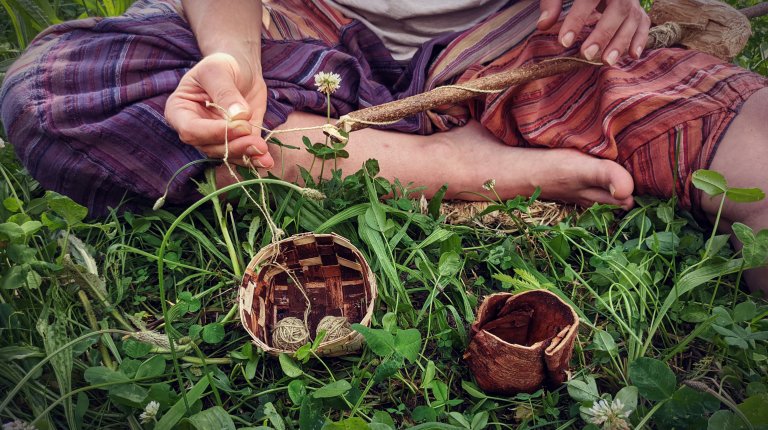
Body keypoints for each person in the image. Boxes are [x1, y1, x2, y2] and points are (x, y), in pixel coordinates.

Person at [0, 0, 766, 294]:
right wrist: (233, 64)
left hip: (525, 41)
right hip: (303, 29)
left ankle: (303, 154)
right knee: (49, 89)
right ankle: (454, 165)